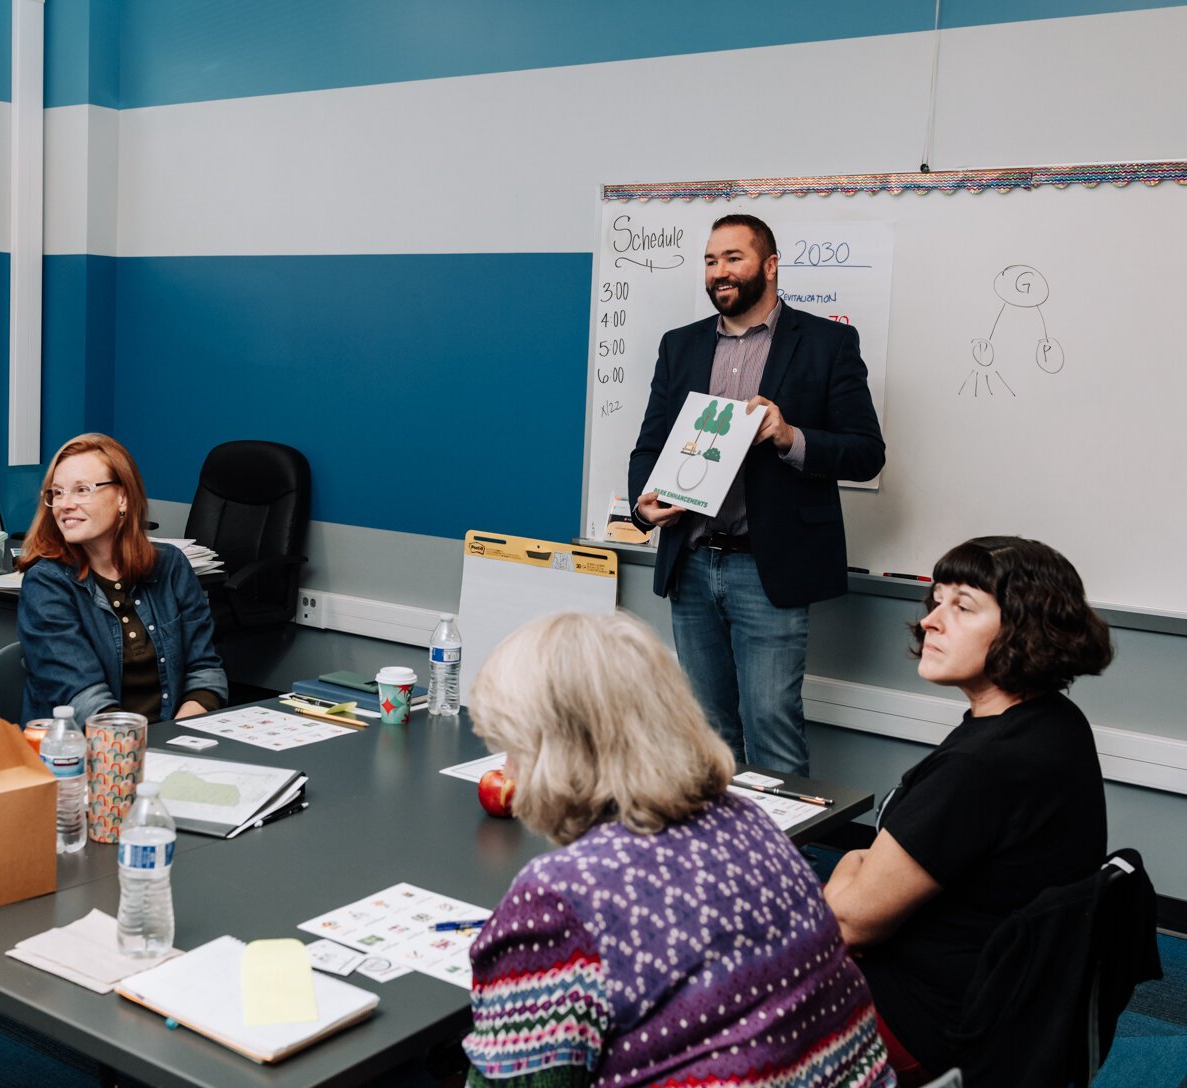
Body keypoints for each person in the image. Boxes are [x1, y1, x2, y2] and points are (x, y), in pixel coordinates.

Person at [462, 611, 894, 1088]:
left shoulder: (560, 897)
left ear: (557, 754)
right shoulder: (749, 822)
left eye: (512, 746)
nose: (507, 769)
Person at [823, 536, 1114, 1083]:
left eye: (963, 606)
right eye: (936, 601)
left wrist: (848, 870)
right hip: (998, 1004)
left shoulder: (982, 768)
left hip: (926, 1020)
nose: (931, 621)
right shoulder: (1054, 723)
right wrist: (857, 871)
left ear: (1024, 627)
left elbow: (846, 922)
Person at [626, 214, 885, 775]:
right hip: (690, 564)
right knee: (709, 735)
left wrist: (790, 437)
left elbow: (867, 452)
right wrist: (642, 504)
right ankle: (725, 861)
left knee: (772, 727)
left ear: (769, 266)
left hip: (769, 570)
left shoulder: (827, 343)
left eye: (734, 258)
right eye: (711, 260)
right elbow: (650, 446)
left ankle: (782, 864)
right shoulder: (680, 346)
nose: (720, 272)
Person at [17, 433, 227, 724]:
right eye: (57, 492)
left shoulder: (171, 566)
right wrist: (141, 752)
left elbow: (205, 671)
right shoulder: (46, 583)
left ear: (123, 498)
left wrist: (178, 737)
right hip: (87, 753)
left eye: (82, 490)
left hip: (172, 742)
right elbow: (83, 697)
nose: (65, 504)